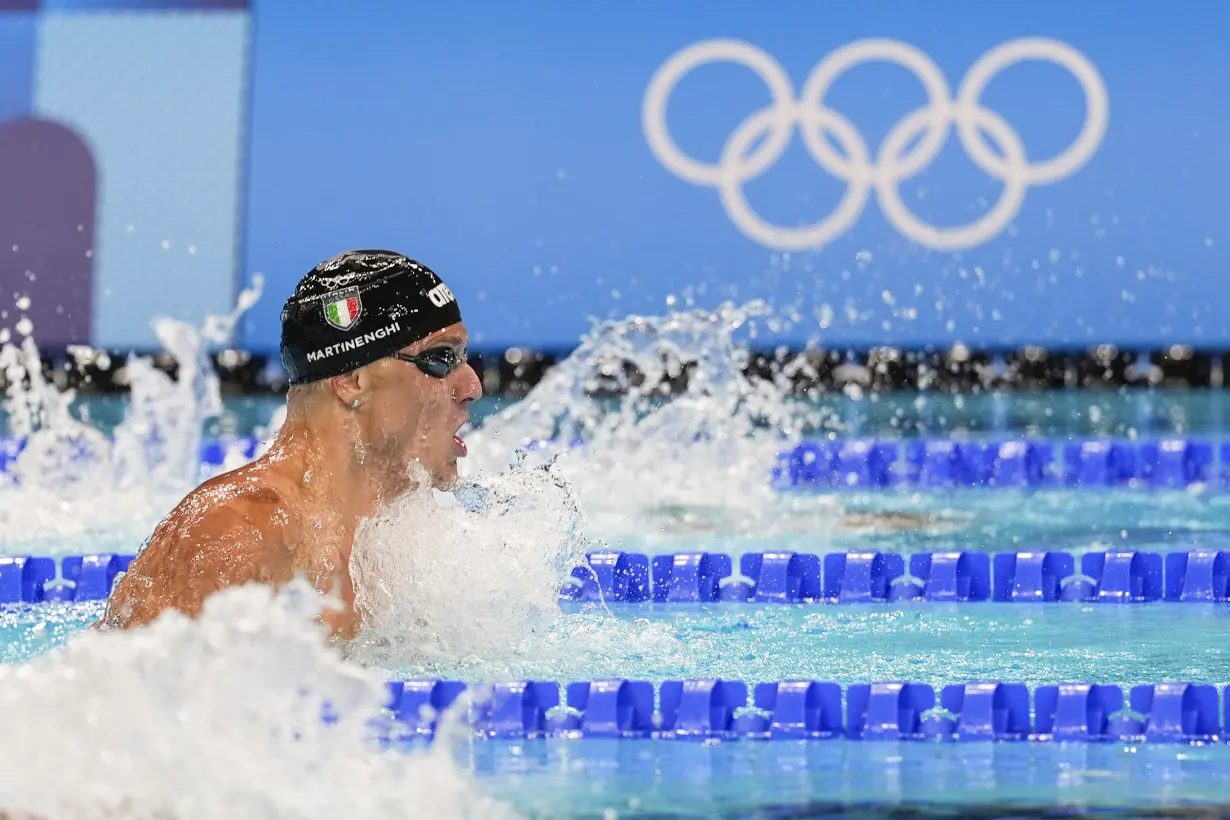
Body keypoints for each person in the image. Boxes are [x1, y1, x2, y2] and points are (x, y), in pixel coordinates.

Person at [100, 250, 483, 638]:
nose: (472, 387)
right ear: (352, 382)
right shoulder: (239, 530)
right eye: (440, 359)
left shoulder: (395, 543)